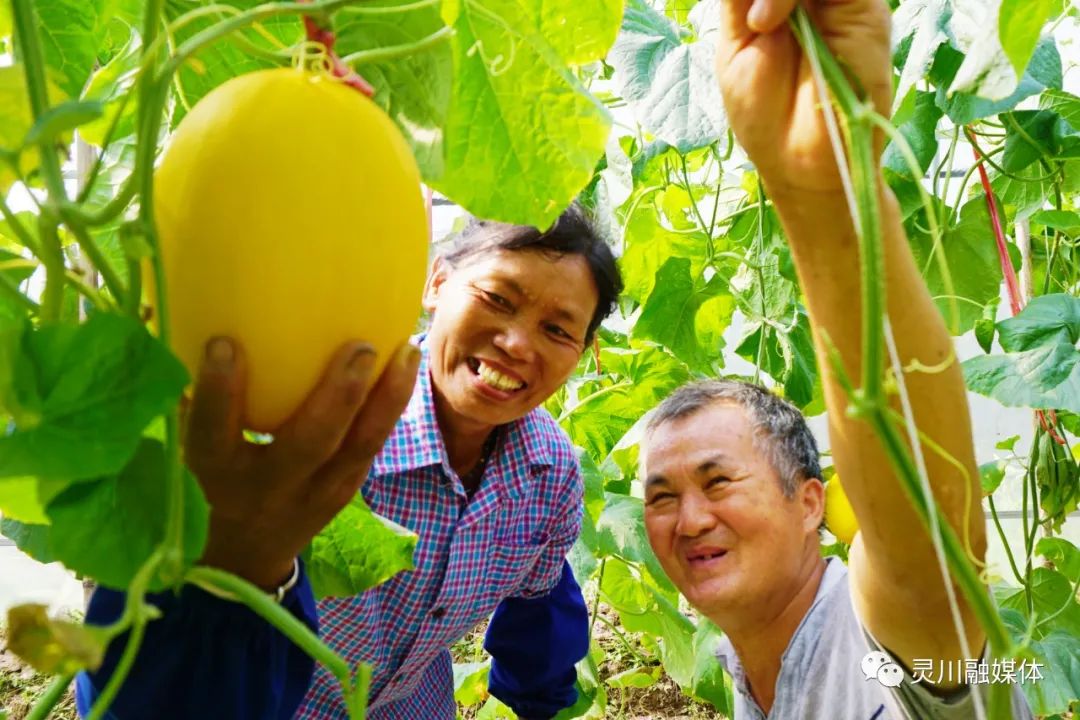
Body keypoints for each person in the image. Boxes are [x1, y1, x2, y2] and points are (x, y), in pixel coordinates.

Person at [637, 0, 1034, 718]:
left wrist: (824, 192)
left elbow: (930, 574)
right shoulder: (743, 664)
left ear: (810, 501)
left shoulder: (875, 644)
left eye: (717, 481)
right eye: (661, 497)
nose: (688, 519)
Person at [76, 205, 622, 720]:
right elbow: (161, 638)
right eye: (498, 298)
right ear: (436, 283)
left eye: (557, 330)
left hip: (412, 704)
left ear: (583, 349)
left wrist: (539, 703)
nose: (516, 343)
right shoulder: (314, 414)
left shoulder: (550, 473)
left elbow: (540, 609)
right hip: (263, 697)